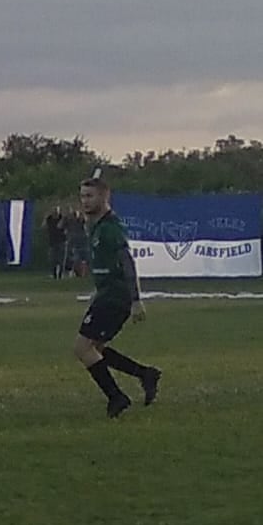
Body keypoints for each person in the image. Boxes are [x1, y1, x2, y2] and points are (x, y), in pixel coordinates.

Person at [73, 177, 161, 417]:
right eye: (82, 196)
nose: (85, 201)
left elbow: (127, 263)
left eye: (90, 196)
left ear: (104, 197)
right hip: (107, 293)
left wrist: (135, 299)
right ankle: (145, 374)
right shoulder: (97, 225)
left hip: (115, 296)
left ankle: (117, 397)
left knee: (82, 348)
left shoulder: (111, 228)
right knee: (96, 347)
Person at [45, 206, 67, 280]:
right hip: (52, 242)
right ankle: (53, 274)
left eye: (57, 211)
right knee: (52, 260)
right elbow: (43, 226)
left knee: (61, 259)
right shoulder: (49, 219)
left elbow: (60, 227)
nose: (56, 212)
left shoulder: (62, 219)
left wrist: (63, 219)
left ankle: (60, 274)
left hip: (61, 241)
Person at [66, 208, 89, 277]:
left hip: (83, 242)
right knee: (76, 259)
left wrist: (82, 213)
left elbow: (85, 219)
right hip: (75, 243)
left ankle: (83, 273)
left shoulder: (82, 222)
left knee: (84, 259)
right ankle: (77, 272)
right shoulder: (71, 222)